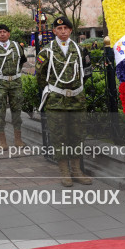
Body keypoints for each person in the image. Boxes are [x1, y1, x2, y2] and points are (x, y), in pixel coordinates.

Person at [35, 17, 92, 187]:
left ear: (71, 30)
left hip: (77, 99)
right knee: (59, 136)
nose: (63, 31)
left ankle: (76, 170)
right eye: (59, 29)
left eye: (66, 28)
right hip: (56, 101)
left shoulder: (80, 50)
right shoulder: (46, 52)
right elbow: (40, 77)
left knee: (77, 135)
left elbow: (86, 73)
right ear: (54, 31)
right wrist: (55, 90)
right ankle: (64, 172)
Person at [0, 23, 28, 150]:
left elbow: (21, 61)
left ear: (9, 34)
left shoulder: (17, 47)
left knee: (17, 111)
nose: (2, 34)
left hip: (15, 83)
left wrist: (15, 74)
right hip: (0, 84)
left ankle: (18, 140)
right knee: (0, 112)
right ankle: (2, 141)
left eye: (4, 32)